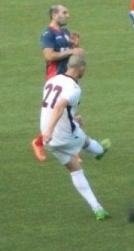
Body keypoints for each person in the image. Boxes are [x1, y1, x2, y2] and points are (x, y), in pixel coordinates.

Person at [39, 54, 112, 220]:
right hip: (61, 135)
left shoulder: (51, 81)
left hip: (49, 141)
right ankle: (100, 150)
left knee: (75, 171)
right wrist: (50, 129)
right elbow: (59, 106)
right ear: (81, 68)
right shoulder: (74, 88)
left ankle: (98, 209)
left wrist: (71, 119)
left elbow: (52, 107)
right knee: (84, 140)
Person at [31, 4, 85, 162]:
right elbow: (49, 56)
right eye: (64, 12)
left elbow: (71, 57)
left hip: (69, 78)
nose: (68, 15)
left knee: (70, 113)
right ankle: (41, 142)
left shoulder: (66, 33)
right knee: (61, 113)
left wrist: (75, 45)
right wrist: (71, 50)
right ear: (54, 15)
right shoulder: (48, 34)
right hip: (55, 79)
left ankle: (68, 146)